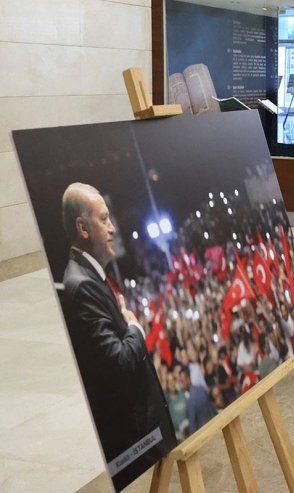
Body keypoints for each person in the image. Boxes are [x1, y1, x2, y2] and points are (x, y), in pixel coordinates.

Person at [60, 182, 176, 491]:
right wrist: (134, 326)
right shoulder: (82, 285)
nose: (112, 228)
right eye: (104, 219)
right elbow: (120, 361)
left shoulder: (90, 276)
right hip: (134, 435)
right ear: (82, 228)